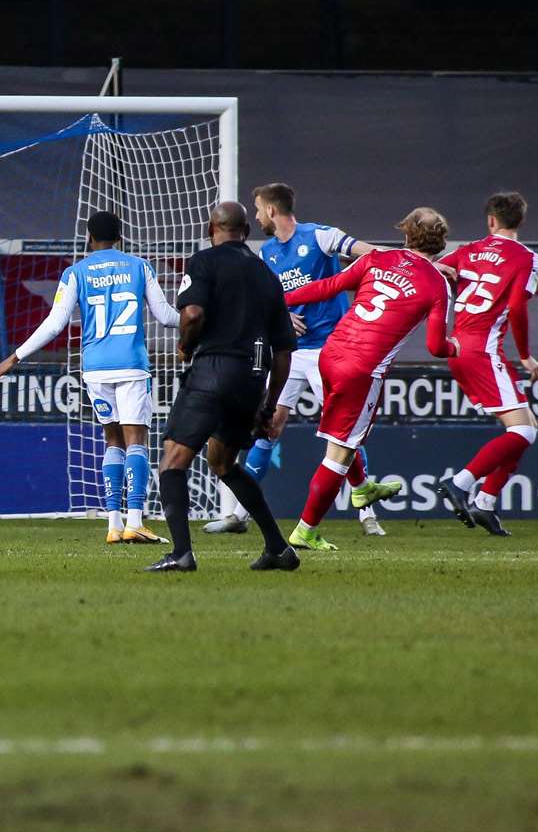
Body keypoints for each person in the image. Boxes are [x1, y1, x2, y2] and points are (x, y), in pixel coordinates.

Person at [206, 184, 389, 536]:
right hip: (289, 351)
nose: (256, 216)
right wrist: (281, 315)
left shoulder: (320, 236)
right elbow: (260, 300)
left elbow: (370, 253)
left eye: (258, 209)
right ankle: (240, 515)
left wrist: (407, 263)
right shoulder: (267, 254)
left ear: (273, 211)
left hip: (331, 350)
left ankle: (368, 515)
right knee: (267, 424)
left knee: (343, 435)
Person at [0, 210, 179, 544]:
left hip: (95, 368)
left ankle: (113, 525)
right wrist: (199, 322)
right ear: (120, 237)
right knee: (136, 440)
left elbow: (54, 323)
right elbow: (164, 316)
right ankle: (135, 520)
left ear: (89, 238)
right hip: (131, 365)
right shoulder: (139, 267)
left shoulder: (75, 273)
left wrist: (15, 356)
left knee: (112, 440)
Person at [284, 208, 459, 551]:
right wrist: (456, 346)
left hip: (331, 354)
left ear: (407, 235)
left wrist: (281, 300)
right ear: (441, 244)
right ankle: (306, 530)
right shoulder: (437, 284)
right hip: (362, 368)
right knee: (340, 450)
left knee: (345, 441)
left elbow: (329, 286)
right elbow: (436, 346)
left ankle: (362, 489)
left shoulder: (379, 258)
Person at [149, 201, 300, 574]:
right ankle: (278, 548)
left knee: (172, 460)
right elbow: (283, 352)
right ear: (245, 232)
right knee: (222, 462)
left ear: (210, 229)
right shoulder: (268, 275)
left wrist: (185, 344)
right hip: (251, 380)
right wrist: (269, 405)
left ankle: (181, 553)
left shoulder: (204, 261)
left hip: (214, 371)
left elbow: (193, 313)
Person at [435, 192, 538, 537]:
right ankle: (461, 483)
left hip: (459, 348)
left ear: (491, 221)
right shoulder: (527, 258)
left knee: (529, 427)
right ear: (520, 221)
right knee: (522, 431)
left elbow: (432, 268)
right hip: (483, 351)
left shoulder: (467, 251)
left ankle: (485, 501)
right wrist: (524, 353)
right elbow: (518, 307)